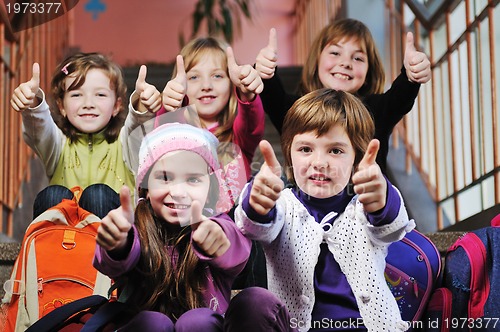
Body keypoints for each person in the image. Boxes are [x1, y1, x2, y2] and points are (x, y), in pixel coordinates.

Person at [235, 89, 416, 331]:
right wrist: (257, 202)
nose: (319, 162)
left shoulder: (365, 206)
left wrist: (381, 198)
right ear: (289, 152)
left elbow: (390, 228)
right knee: (249, 300)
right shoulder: (284, 204)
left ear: (357, 158)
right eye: (306, 149)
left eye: (335, 150)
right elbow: (256, 226)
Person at [93, 123, 256, 331]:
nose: (178, 191)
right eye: (165, 178)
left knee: (198, 321)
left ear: (210, 190)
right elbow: (114, 260)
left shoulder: (218, 225)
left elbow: (237, 249)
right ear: (146, 189)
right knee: (154, 322)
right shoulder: (136, 228)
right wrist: (118, 245)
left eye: (193, 179)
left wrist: (217, 242)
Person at [255, 19, 431, 173]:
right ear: (317, 59)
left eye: (358, 58)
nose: (346, 63)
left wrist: (410, 77)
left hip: (368, 208)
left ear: (369, 71)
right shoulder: (297, 109)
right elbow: (273, 99)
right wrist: (265, 71)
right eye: (335, 53)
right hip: (308, 208)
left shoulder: (376, 110)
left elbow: (398, 101)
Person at [10, 52, 161, 218]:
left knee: (97, 194)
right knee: (53, 195)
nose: (88, 104)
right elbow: (39, 130)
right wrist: (32, 103)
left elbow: (137, 126)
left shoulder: (125, 145)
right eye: (76, 95)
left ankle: (100, 245)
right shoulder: (58, 146)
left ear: (117, 105)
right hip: (66, 238)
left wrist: (142, 103)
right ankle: (48, 242)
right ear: (61, 106)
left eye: (100, 95)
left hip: (113, 236)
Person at [160, 37, 265, 182]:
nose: (206, 85)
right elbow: (163, 132)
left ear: (231, 84)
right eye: (194, 77)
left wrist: (247, 94)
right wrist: (170, 107)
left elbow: (251, 122)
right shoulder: (175, 128)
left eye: (217, 76)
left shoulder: (238, 138)